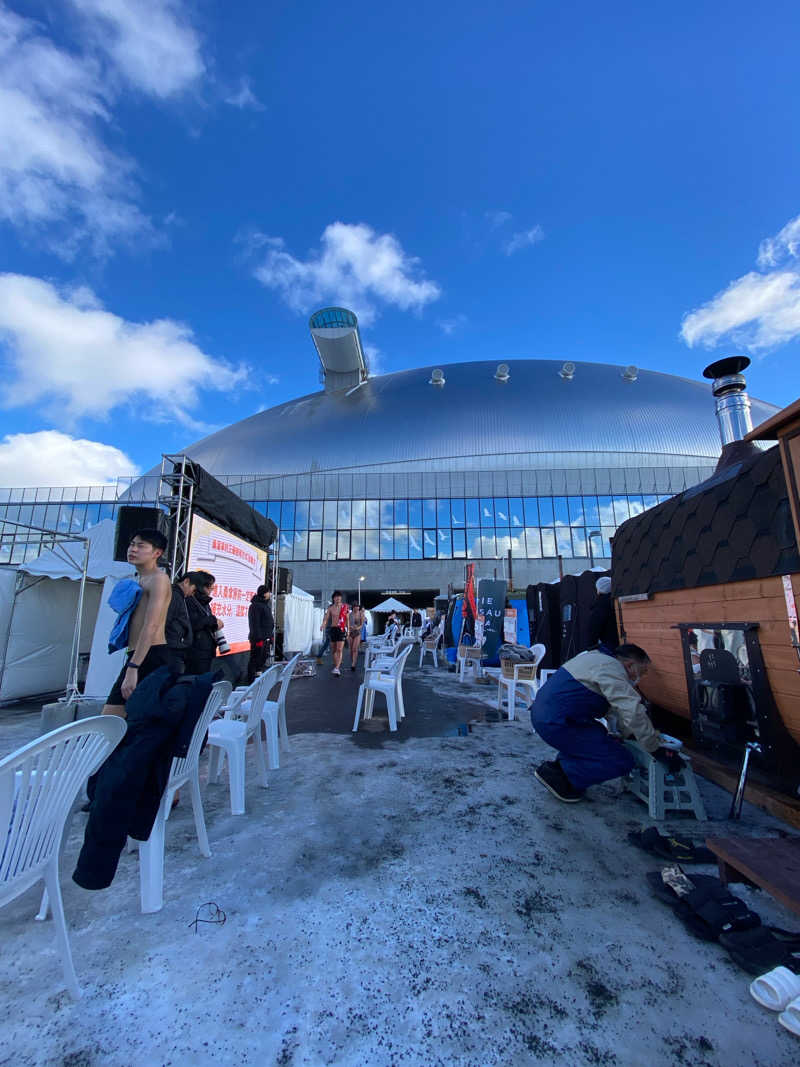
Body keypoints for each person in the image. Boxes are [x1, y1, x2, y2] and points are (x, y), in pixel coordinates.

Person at [531, 643, 682, 802]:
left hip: (550, 717)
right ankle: (562, 779)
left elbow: (615, 710)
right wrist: (654, 747)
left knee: (600, 737)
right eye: (642, 672)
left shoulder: (595, 658)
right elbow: (632, 709)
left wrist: (630, 734)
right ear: (630, 665)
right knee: (620, 760)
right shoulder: (612, 668)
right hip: (557, 722)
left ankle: (558, 769)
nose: (640, 678)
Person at [102, 529, 175, 718]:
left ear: (157, 553)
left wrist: (133, 668)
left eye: (141, 546)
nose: (133, 549)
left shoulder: (159, 579)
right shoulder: (140, 579)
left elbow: (151, 625)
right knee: (130, 721)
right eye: (132, 544)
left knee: (111, 718)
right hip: (139, 655)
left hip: (150, 655)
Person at [183, 571, 221, 675]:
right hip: (195, 651)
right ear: (202, 586)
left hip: (206, 649)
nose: (212, 588)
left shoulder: (205, 603)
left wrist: (215, 624)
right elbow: (192, 624)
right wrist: (213, 620)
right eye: (210, 586)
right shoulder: (189, 601)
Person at [247, 585, 274, 683]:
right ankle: (250, 681)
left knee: (262, 659)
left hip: (266, 637)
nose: (269, 594)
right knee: (255, 659)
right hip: (258, 639)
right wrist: (258, 639)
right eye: (268, 592)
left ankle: (258, 678)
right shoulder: (255, 606)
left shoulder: (265, 605)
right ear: (264, 593)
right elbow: (255, 623)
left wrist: (270, 636)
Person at [585, 576, 619, 653]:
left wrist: (591, 647)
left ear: (599, 590)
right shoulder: (617, 601)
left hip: (610, 645)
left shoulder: (600, 605)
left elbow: (593, 628)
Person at [321, 591, 348, 676]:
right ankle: (336, 664)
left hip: (341, 629)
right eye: (336, 597)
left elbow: (347, 619)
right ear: (333, 598)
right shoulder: (330, 608)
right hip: (333, 629)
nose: (338, 598)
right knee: (334, 650)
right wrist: (323, 624)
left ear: (341, 598)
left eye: (339, 597)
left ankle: (337, 668)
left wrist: (349, 630)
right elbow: (326, 618)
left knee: (339, 649)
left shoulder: (344, 607)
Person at [347, 601, 366, 671]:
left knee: (355, 648)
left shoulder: (361, 614)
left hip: (358, 633)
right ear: (353, 607)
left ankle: (353, 664)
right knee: (351, 649)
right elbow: (347, 624)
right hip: (350, 633)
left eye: (358, 607)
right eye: (355, 607)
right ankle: (352, 661)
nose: (357, 608)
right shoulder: (349, 614)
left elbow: (362, 625)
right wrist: (349, 628)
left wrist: (356, 628)